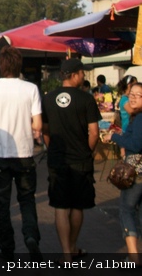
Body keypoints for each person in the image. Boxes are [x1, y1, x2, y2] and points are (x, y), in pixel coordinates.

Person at [0, 46, 42, 261]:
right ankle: (31, 236)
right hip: (25, 155)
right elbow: (38, 124)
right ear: (19, 64)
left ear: (1, 65)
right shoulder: (31, 89)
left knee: (2, 205)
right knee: (27, 200)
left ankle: (7, 248)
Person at [42, 58, 101, 265]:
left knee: (60, 206)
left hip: (57, 160)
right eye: (82, 73)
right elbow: (94, 132)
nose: (83, 76)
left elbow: (45, 130)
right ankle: (73, 246)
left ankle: (66, 254)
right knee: (77, 206)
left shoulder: (48, 99)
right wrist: (87, 151)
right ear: (75, 74)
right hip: (81, 161)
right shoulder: (86, 99)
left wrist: (52, 149)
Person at [103, 82, 142, 264]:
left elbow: (135, 145)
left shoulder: (140, 119)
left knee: (126, 210)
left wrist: (114, 137)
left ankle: (133, 256)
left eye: (138, 95)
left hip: (137, 173)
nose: (132, 98)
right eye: (131, 94)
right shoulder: (136, 117)